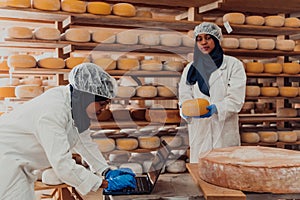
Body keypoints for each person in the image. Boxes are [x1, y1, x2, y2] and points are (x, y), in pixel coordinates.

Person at [0, 63, 136, 199]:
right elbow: (62, 164)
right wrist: (104, 184)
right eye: (102, 104)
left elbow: (84, 142)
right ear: (87, 97)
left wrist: (105, 171)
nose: (105, 109)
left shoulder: (74, 104)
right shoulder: (53, 111)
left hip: (20, 164)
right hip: (6, 162)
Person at [178, 22, 246, 163]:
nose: (203, 42)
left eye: (208, 38)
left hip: (224, 132)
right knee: (201, 174)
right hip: (199, 131)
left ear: (216, 39)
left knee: (225, 174)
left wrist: (217, 109)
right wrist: (184, 109)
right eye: (199, 39)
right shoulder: (190, 68)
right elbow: (184, 95)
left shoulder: (233, 65)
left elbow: (236, 99)